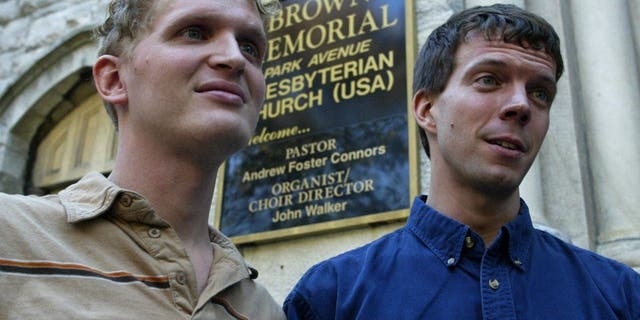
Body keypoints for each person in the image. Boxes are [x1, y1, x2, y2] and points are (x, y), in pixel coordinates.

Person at [283, 4, 640, 319]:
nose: (521, 105)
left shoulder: (621, 295)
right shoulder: (331, 297)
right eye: (489, 79)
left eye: (540, 92)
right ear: (427, 110)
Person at [0, 0, 286, 318]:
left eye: (249, 47)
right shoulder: (9, 235)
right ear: (113, 79)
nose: (234, 58)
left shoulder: (264, 310)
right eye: (194, 32)